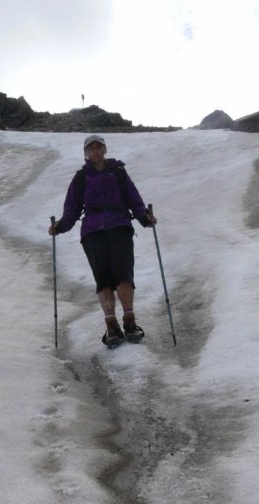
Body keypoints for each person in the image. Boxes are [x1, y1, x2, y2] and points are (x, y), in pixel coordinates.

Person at [49, 134, 157, 348]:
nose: (95, 151)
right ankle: (112, 324)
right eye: (91, 148)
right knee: (103, 278)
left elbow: (133, 198)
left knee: (123, 274)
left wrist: (145, 217)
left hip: (119, 227)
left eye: (99, 147)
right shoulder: (81, 178)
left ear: (105, 150)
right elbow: (72, 208)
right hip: (93, 232)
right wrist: (60, 226)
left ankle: (128, 320)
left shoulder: (118, 172)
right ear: (86, 153)